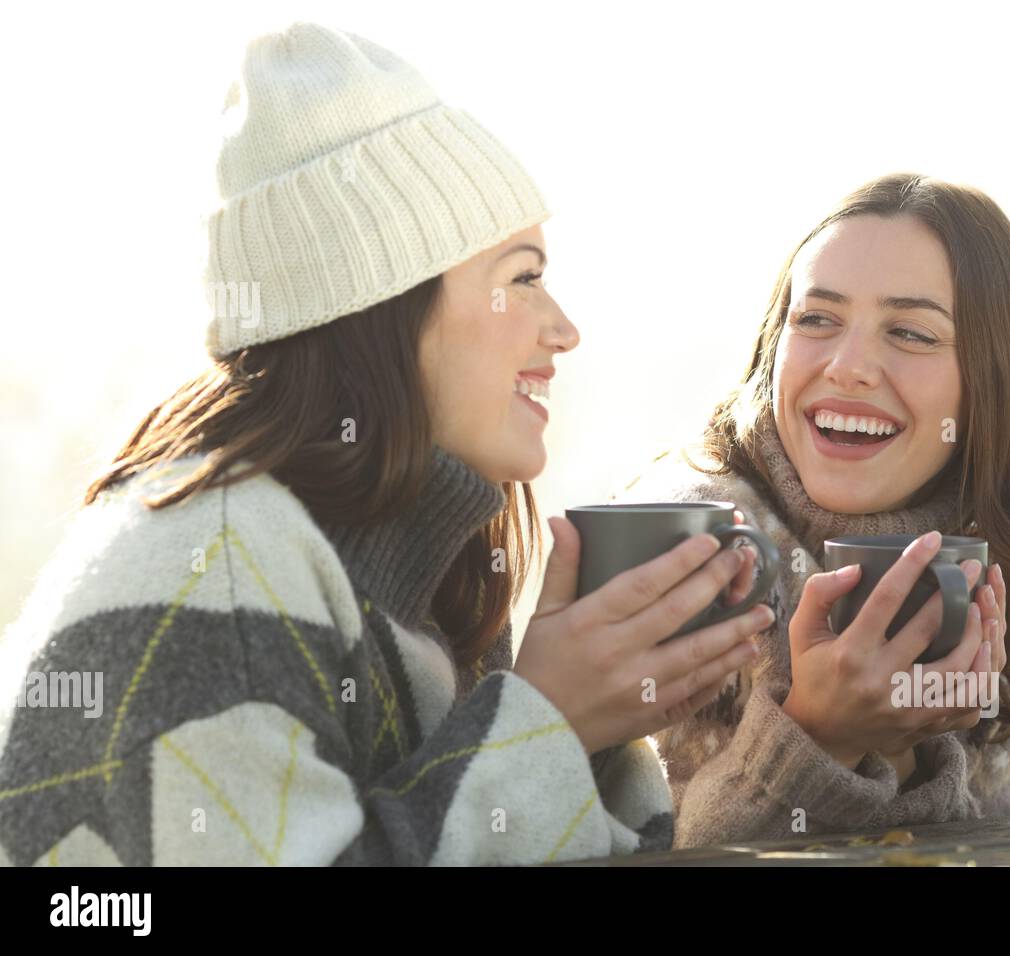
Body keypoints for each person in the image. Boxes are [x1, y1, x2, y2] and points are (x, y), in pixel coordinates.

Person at [0, 22, 769, 866]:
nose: (565, 330)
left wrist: (582, 726)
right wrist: (546, 719)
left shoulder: (427, 584)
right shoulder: (217, 564)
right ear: (386, 303)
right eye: (524, 279)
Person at [615, 173, 1010, 847]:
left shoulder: (980, 545)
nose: (848, 365)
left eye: (911, 333)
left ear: (992, 381)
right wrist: (821, 737)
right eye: (816, 319)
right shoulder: (690, 542)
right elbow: (662, 847)